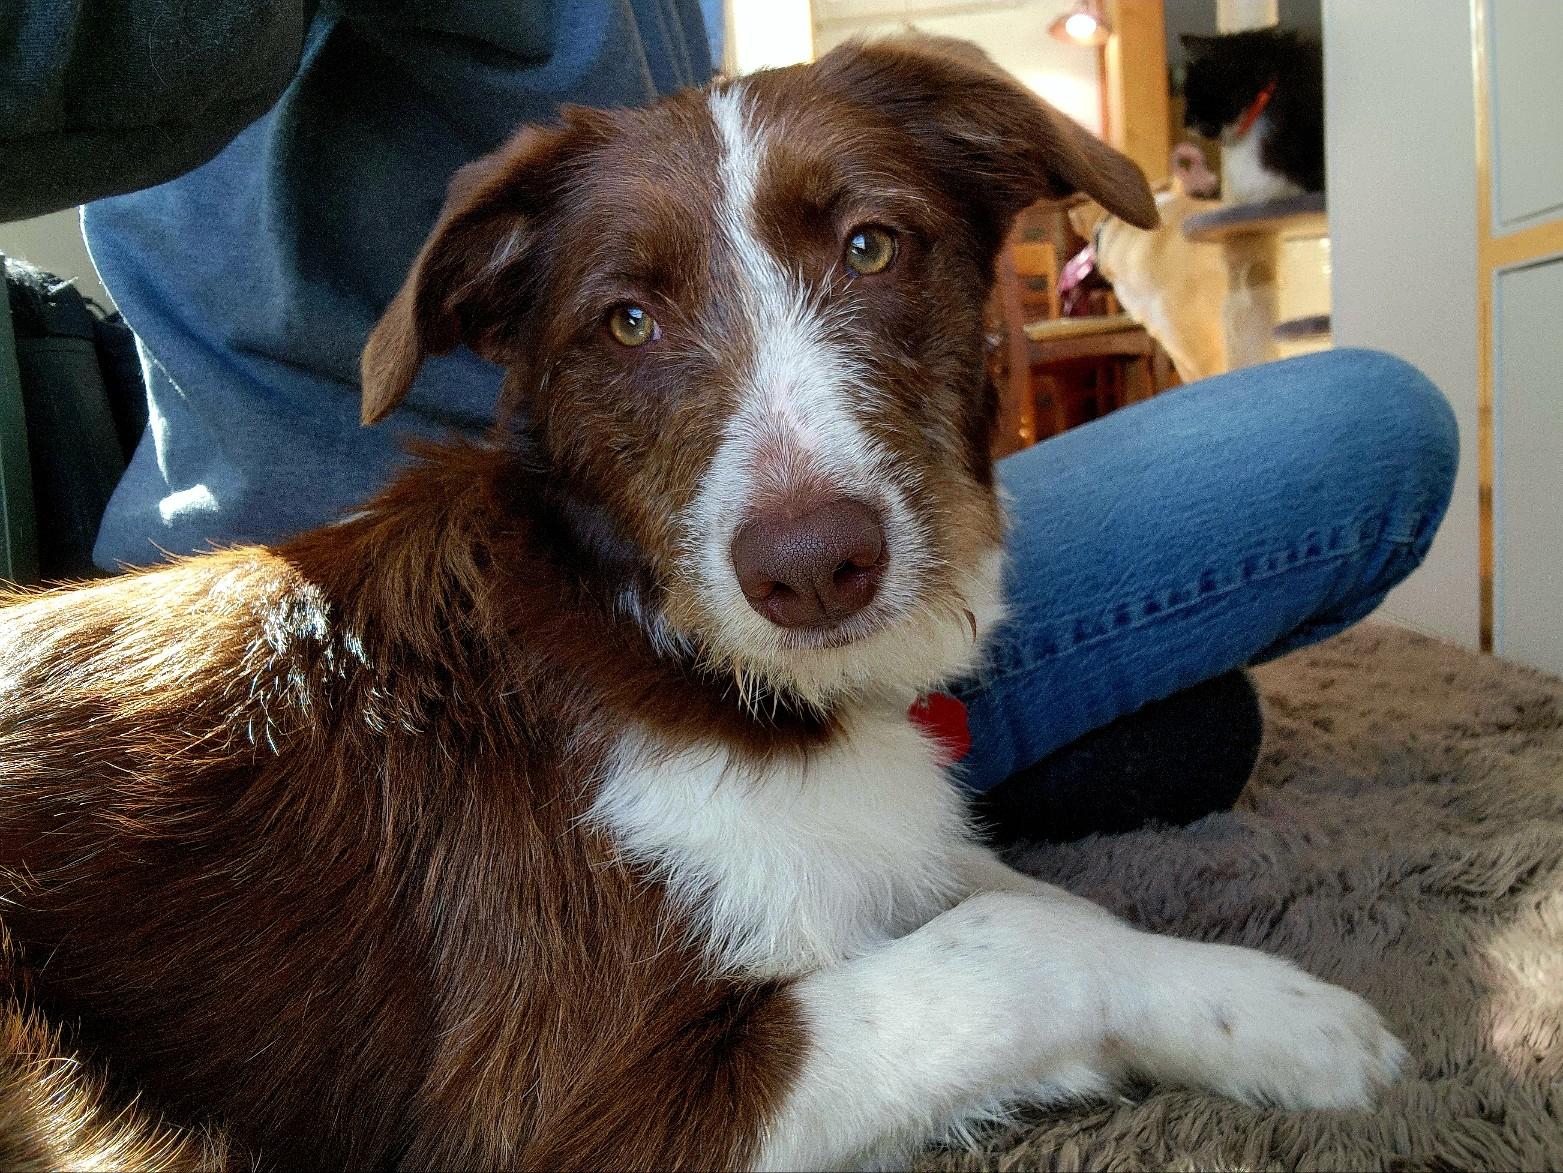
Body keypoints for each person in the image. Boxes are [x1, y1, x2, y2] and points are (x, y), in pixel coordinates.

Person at [0, 1, 1457, 841]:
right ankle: (881, 789)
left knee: (1337, 476)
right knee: (1344, 465)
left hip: (724, 582)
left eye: (876, 246)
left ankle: (890, 770)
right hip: (424, 628)